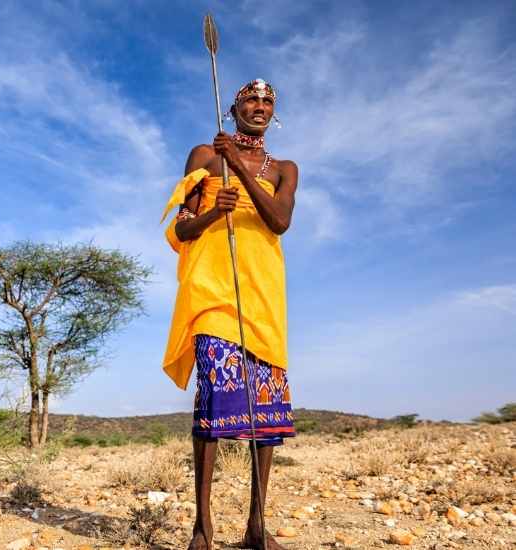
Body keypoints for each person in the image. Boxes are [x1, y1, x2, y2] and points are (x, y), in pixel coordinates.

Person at [160, 79, 299, 550]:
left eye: (267, 102)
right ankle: (203, 528)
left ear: (272, 113)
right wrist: (212, 214)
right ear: (233, 108)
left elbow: (279, 222)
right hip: (213, 294)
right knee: (216, 401)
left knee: (267, 414)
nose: (258, 107)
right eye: (250, 100)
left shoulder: (283, 168)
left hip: (261, 296)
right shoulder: (204, 156)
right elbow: (181, 226)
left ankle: (257, 530)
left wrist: (237, 165)